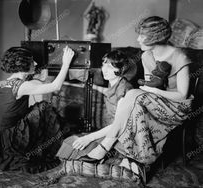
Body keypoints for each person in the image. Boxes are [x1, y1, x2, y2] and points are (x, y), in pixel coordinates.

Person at [72, 16, 193, 179]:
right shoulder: (146, 56)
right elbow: (152, 85)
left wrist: (153, 92)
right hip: (155, 101)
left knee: (133, 94)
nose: (137, 39)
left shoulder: (180, 56)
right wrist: (149, 90)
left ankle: (104, 146)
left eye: (142, 36)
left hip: (176, 106)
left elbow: (182, 95)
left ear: (155, 37)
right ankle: (136, 161)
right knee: (133, 99)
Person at [0, 46, 74, 173]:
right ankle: (54, 146)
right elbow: (55, 86)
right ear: (23, 65)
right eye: (32, 61)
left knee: (39, 108)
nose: (35, 63)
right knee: (44, 108)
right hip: (10, 140)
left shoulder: (9, 82)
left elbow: (37, 84)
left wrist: (40, 78)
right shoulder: (23, 86)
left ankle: (51, 143)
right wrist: (66, 64)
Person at [56, 49, 137, 160]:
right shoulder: (114, 82)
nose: (105, 70)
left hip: (119, 136)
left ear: (121, 69)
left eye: (111, 67)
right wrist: (90, 86)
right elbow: (108, 92)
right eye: (104, 65)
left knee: (76, 149)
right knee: (69, 143)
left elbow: (118, 125)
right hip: (109, 131)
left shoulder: (125, 90)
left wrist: (89, 137)